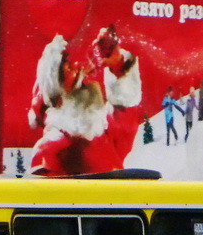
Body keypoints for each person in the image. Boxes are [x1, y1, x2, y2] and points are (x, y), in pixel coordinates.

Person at [26, 25, 143, 176]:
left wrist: (118, 65)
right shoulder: (49, 150)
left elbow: (126, 109)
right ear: (58, 96)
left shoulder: (103, 132)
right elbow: (43, 196)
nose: (77, 67)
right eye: (68, 69)